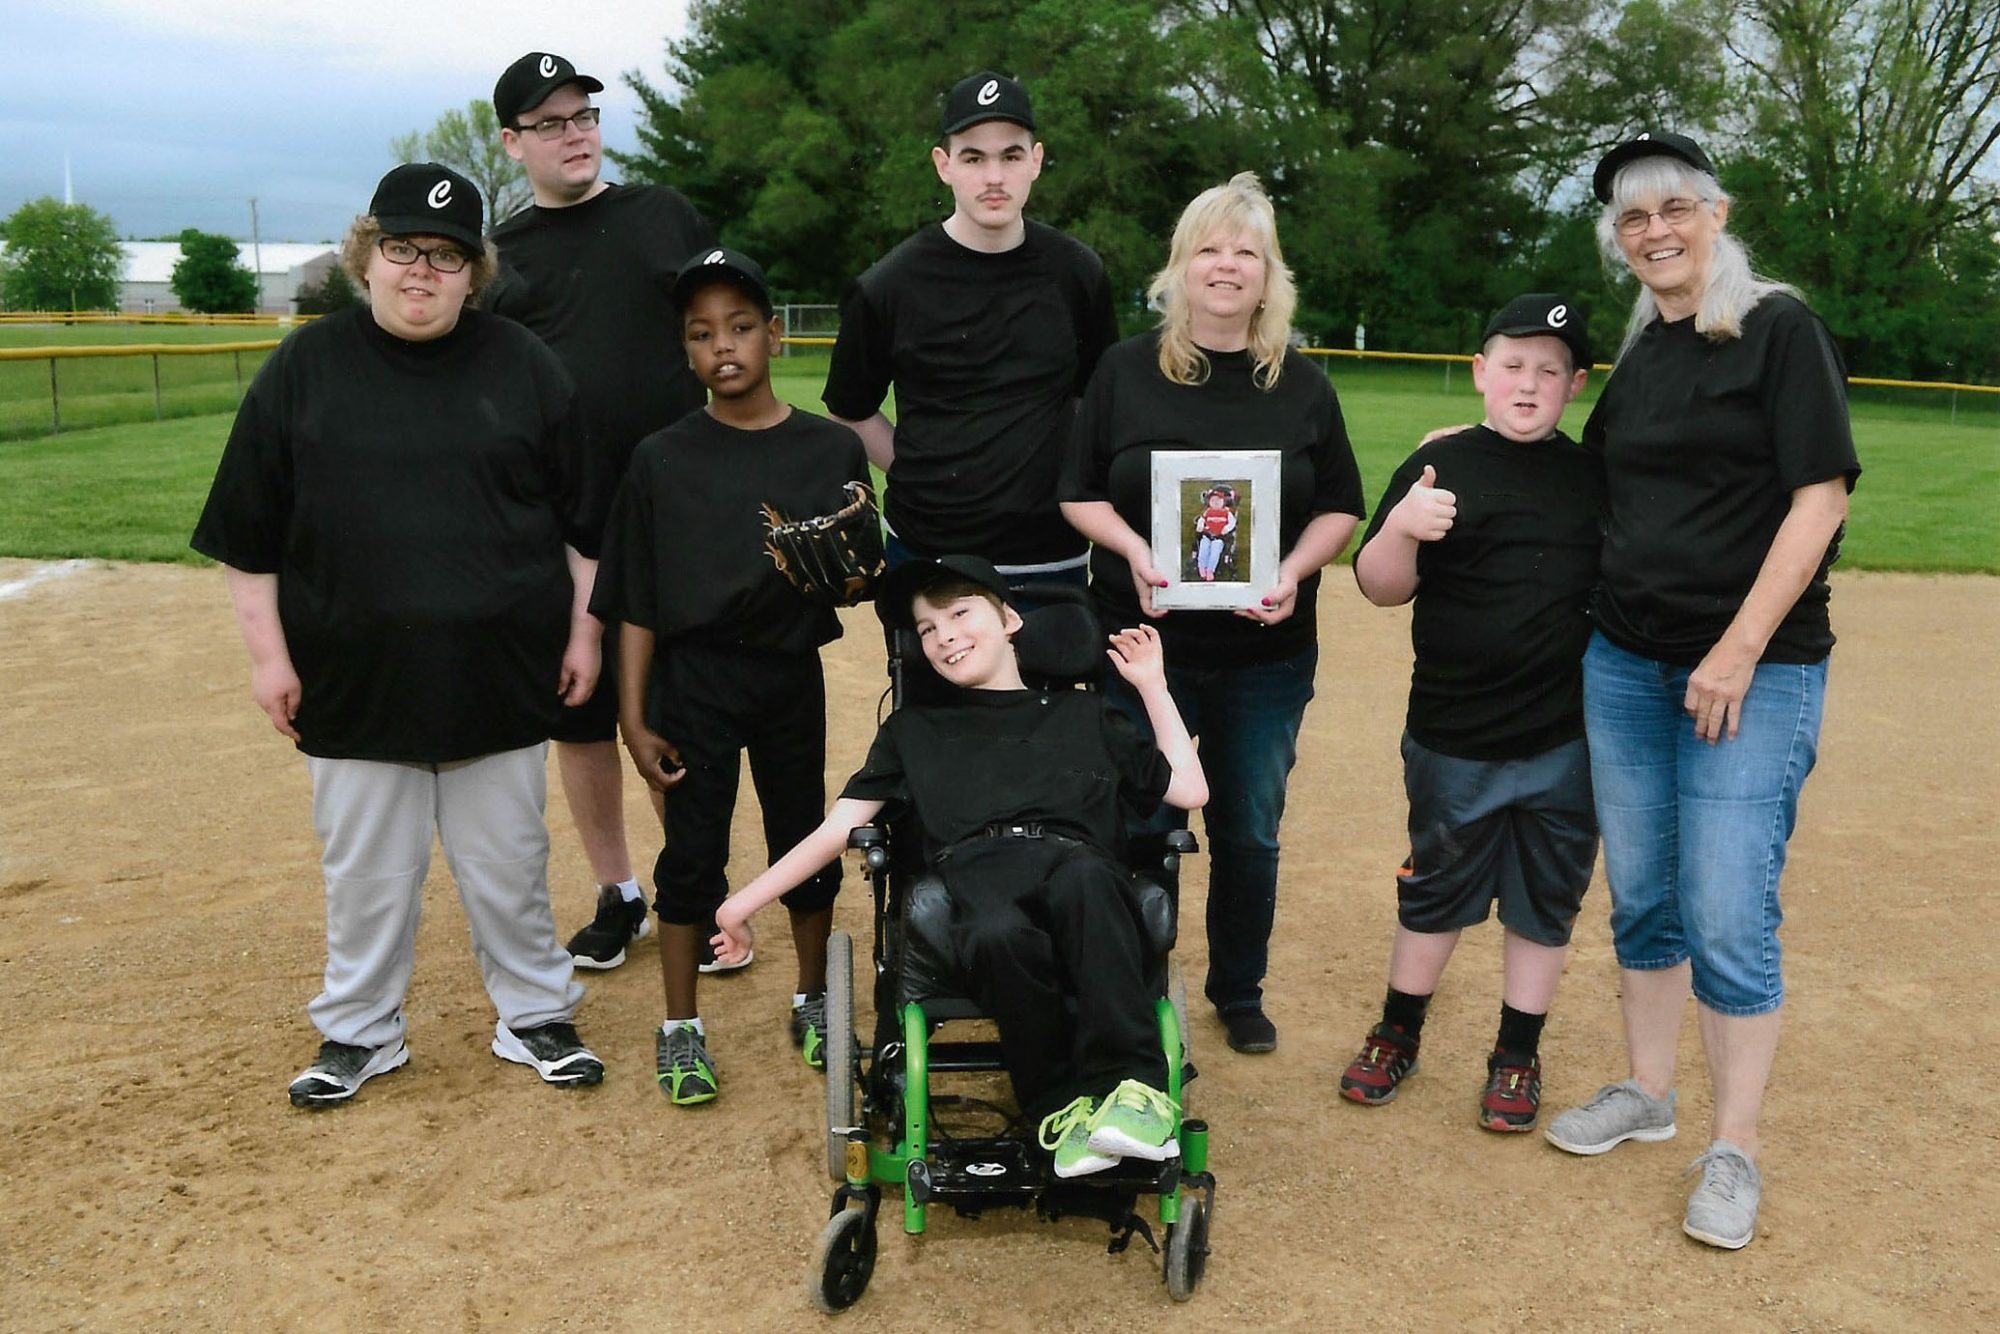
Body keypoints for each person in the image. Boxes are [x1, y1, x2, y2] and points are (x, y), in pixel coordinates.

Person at [192, 163, 607, 1107]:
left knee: (509, 862)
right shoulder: (305, 367)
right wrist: (269, 661)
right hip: (353, 674)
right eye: (402, 249)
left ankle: (536, 1012)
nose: (422, 272)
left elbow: (587, 531)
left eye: (448, 256)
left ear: (475, 273)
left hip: (498, 672)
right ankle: (359, 1031)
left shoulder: (525, 366)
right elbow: (246, 539)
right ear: (365, 257)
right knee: (368, 872)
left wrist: (582, 639)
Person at [1541, 132, 1859, 1250]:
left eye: (1672, 207)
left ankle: (1732, 1146)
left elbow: (1817, 500)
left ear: (1713, 214)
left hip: (1750, 671)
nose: (1654, 231)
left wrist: (1732, 647)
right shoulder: (1645, 349)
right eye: (1631, 219)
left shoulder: (1775, 327)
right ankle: (1646, 1087)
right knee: (1644, 894)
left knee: (1727, 910)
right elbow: (1600, 492)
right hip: (1625, 663)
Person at [710, 555, 1208, 1177]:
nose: (943, 634)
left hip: (1077, 861)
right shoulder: (912, 730)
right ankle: (1064, 1109)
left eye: (959, 613)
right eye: (925, 628)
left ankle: (1136, 1093)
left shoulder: (1086, 715)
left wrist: (1152, 686)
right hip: (978, 869)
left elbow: (1190, 793)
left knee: (1083, 881)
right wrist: (737, 907)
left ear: (1009, 620)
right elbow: (839, 828)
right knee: (997, 934)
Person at [1060, 172, 1366, 1054]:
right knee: (1142, 824)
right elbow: (1077, 493)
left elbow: (1340, 505)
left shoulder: (1301, 385)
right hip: (1139, 642)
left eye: (1247, 252)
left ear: (1269, 277)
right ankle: (1138, 990)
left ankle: (1238, 991)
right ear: (1179, 268)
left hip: (1263, 654)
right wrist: (1136, 552)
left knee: (1249, 828)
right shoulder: (1123, 370)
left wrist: (1297, 571)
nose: (1227, 266)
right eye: (1210, 249)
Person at [588, 248, 871, 1106]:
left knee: (803, 840)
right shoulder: (662, 458)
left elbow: (863, 574)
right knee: (692, 854)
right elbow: (634, 600)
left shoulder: (831, 446)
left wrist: (853, 571)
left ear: (775, 335)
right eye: (702, 333)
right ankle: (680, 1027)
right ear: (685, 350)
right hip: (692, 678)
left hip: (789, 675)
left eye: (742, 326)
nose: (724, 346)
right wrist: (633, 722)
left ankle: (813, 1000)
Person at [1337, 293, 1602, 1133]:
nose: (1529, 385)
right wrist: (1407, 528)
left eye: (1550, 372)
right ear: (1481, 374)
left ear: (1576, 385)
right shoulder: (1439, 465)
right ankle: (1398, 1028)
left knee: (1545, 901)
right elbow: (1379, 586)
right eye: (1513, 367)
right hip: (1454, 735)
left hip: (1566, 741)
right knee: (1437, 888)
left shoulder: (1594, 477)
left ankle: (1517, 1052)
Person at [485, 50, 719, 973]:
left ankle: (693, 893)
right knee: (577, 712)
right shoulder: (503, 257)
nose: (574, 134)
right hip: (558, 523)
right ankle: (621, 893)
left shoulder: (662, 216)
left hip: (674, 511)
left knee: (672, 707)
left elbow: (721, 330)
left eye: (583, 115)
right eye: (549, 123)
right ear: (513, 143)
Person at [822, 71, 1118, 591]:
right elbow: (850, 409)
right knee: (931, 676)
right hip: (930, 552)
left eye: (1010, 155)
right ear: (944, 165)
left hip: (1049, 555)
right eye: (973, 157)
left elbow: (1096, 404)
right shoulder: (889, 285)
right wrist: (922, 472)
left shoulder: (1078, 273)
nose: (994, 176)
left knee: (1051, 676)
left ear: (1037, 160)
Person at [1193, 486, 1238, 582]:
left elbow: (1232, 522)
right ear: (1209, 503)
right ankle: (1202, 568)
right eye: (1213, 501)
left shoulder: (1226, 513)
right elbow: (1202, 519)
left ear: (1223, 502)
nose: (1215, 502)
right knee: (1203, 550)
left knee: (1215, 552)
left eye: (1218, 500)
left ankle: (1210, 570)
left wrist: (1226, 528)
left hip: (1219, 537)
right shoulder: (1208, 512)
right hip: (1207, 535)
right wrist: (1200, 526)